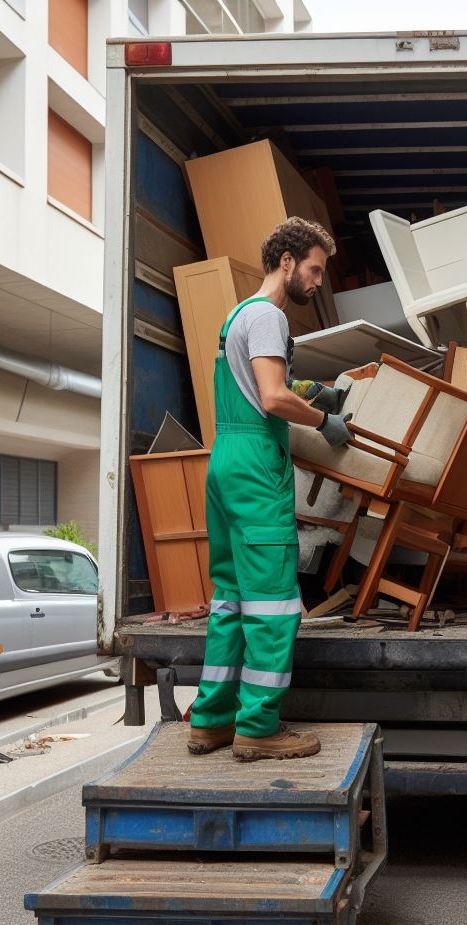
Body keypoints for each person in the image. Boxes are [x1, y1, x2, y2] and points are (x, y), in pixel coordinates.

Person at [187, 217, 354, 762]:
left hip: (226, 461)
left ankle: (210, 720)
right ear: (287, 262)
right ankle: (258, 727)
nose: (317, 282)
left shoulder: (238, 314)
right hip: (257, 464)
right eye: (313, 269)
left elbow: (257, 381)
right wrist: (321, 420)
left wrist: (314, 390)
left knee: (231, 600)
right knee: (274, 605)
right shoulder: (269, 317)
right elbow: (273, 399)